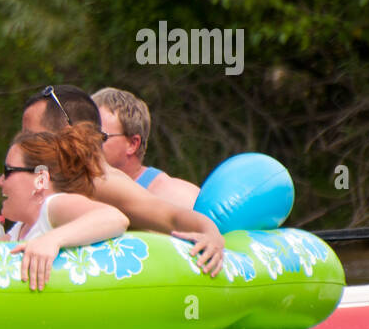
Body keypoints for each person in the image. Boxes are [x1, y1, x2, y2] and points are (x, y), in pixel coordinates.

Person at [22, 85, 224, 277]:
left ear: (65, 134)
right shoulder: (53, 177)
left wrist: (211, 234)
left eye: (31, 136)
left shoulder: (99, 180)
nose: (22, 146)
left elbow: (170, 216)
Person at [0, 126, 129, 290]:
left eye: (7, 171)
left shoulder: (53, 205)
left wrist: (52, 239)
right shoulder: (19, 229)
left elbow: (114, 218)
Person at [92, 87, 201, 208]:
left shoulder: (173, 195)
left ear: (132, 144)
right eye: (82, 134)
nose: (86, 143)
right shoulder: (78, 193)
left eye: (99, 136)